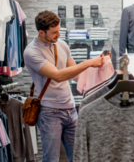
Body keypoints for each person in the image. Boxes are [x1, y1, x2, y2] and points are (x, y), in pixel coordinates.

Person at [23, 10, 104, 162]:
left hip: (71, 110)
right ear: (41, 32)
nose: (59, 35)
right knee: (51, 159)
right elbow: (58, 76)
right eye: (54, 32)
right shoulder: (31, 52)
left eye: (59, 30)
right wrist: (88, 62)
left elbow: (76, 75)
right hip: (49, 113)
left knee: (79, 157)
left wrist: (99, 68)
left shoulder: (62, 45)